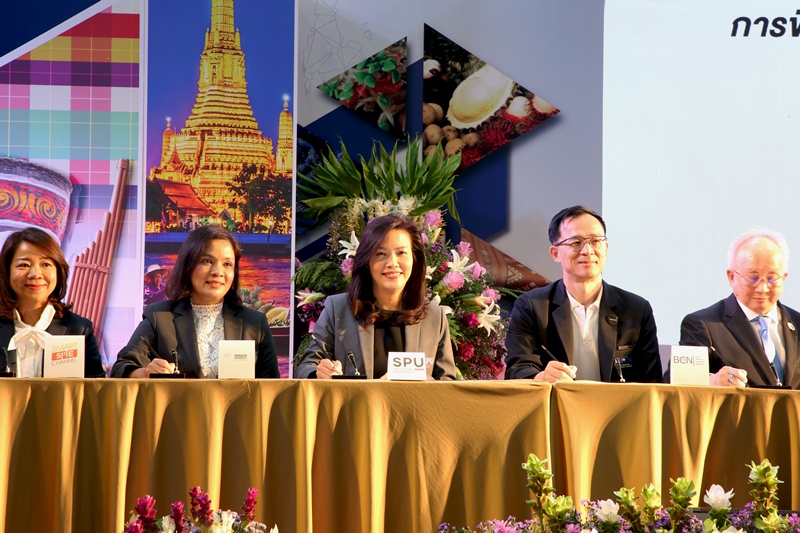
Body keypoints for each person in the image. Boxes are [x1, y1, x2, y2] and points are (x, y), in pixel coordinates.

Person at [504, 206, 661, 382]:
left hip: (618, 401)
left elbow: (652, 382)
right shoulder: (532, 307)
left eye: (596, 241)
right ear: (555, 253)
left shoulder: (637, 310)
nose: (587, 251)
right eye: (576, 243)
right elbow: (517, 369)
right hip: (556, 399)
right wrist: (541, 377)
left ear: (606, 248)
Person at [294, 215, 457, 380]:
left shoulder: (434, 316)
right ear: (367, 261)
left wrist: (422, 382)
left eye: (401, 253)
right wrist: (320, 373)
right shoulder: (338, 309)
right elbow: (306, 366)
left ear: (415, 259)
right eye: (380, 253)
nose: (392, 263)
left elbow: (448, 382)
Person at [112, 226, 279, 378]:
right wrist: (145, 373)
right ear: (188, 264)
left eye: (227, 264)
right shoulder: (160, 317)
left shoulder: (255, 324)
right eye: (207, 261)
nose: (218, 272)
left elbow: (272, 388)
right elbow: (121, 368)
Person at [680, 230, 800, 388]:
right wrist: (712, 381)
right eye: (753, 278)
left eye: (771, 278)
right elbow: (679, 382)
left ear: (784, 277)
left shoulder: (797, 323)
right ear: (731, 277)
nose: (762, 288)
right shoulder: (703, 325)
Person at [0, 228, 105, 378]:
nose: (35, 274)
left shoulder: (79, 329)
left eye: (45, 264)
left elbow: (96, 388)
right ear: (6, 271)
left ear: (58, 271)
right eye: (24, 265)